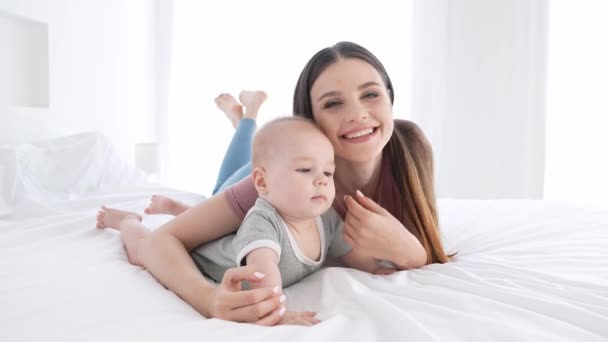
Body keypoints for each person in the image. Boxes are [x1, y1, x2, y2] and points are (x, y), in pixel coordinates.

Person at [109, 41, 452, 326]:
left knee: (213, 211)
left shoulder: (410, 147)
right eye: (333, 103)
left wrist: (413, 253)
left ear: (391, 99)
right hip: (254, 175)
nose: (358, 114)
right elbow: (160, 242)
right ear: (309, 122)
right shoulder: (272, 187)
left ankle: (241, 122)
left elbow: (425, 242)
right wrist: (210, 299)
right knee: (217, 194)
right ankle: (246, 120)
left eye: (371, 94)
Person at [98, 116, 352, 325]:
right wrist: (276, 315)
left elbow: (349, 250)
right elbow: (262, 273)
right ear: (262, 182)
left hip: (230, 236)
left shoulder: (325, 218)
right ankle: (126, 221)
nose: (322, 180)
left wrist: (379, 265)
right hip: (202, 256)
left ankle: (180, 210)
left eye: (328, 173)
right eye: (306, 170)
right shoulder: (263, 220)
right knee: (142, 249)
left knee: (216, 223)